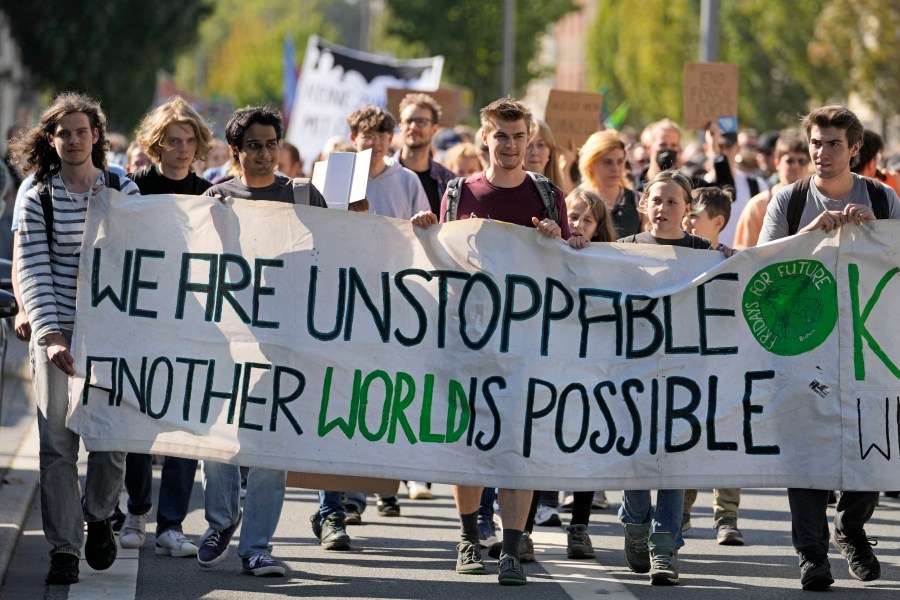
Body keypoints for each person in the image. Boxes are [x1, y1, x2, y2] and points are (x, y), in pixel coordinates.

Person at [411, 97, 569, 586]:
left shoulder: (546, 194)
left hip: (525, 340)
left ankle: (513, 547)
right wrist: (427, 233)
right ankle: (467, 537)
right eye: (501, 135)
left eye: (519, 135)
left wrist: (554, 236)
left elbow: (565, 264)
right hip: (469, 337)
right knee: (471, 441)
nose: (511, 144)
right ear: (485, 137)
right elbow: (446, 260)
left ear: (530, 138)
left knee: (516, 446)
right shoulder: (459, 193)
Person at [758, 105, 900, 592]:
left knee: (874, 444)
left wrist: (874, 235)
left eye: (833, 144)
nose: (820, 153)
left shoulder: (882, 199)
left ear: (855, 148)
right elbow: (762, 266)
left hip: (867, 344)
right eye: (815, 143)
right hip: (803, 343)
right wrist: (808, 236)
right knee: (806, 449)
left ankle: (852, 527)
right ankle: (811, 554)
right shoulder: (789, 200)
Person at [11, 91, 140, 585]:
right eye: (63, 132)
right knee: (58, 445)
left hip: (111, 338)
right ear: (51, 138)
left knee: (110, 439)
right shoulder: (37, 193)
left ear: (96, 136)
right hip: (56, 333)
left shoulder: (122, 189)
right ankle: (64, 548)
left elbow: (156, 249)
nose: (72, 140)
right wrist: (50, 334)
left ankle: (101, 514)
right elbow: (33, 270)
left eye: (81, 131)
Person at [198, 105, 327, 578]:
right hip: (229, 338)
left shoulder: (303, 196)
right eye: (254, 145)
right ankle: (221, 519)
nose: (265, 153)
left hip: (284, 339)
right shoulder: (216, 198)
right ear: (235, 151)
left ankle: (256, 546)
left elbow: (335, 256)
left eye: (271, 144)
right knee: (219, 443)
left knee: (270, 447)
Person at [616, 170, 734, 587]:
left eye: (672, 202)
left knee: (674, 461)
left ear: (687, 212)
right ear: (644, 204)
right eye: (656, 200)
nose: (662, 208)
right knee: (635, 455)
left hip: (685, 375)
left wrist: (732, 263)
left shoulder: (702, 251)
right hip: (633, 375)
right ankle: (634, 521)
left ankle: (665, 546)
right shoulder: (624, 248)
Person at [117, 96, 214, 559]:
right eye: (172, 140)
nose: (180, 148)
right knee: (140, 420)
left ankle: (170, 524)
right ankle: (136, 510)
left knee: (184, 426)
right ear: (156, 144)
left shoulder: (211, 195)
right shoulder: (130, 190)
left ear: (198, 145)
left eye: (188, 140)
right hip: (139, 322)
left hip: (192, 324)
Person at [348, 105, 429, 220]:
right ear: (353, 138)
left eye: (381, 136)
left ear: (390, 138)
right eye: (368, 136)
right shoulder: (341, 178)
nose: (375, 143)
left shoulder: (409, 180)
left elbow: (426, 230)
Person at [732, 131, 809, 250]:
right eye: (790, 161)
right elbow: (743, 254)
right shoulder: (757, 206)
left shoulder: (818, 202)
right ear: (777, 163)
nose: (796, 166)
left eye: (802, 161)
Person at [397, 93, 457, 216]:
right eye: (408, 121)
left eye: (421, 122)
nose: (413, 127)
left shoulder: (448, 181)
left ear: (434, 129)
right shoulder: (383, 172)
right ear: (400, 126)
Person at [578, 130, 644, 240]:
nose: (616, 169)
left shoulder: (638, 201)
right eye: (608, 162)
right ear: (590, 163)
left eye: (620, 161)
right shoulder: (575, 201)